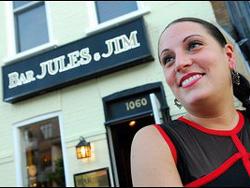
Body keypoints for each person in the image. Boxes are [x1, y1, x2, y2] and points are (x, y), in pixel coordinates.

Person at [130, 17, 250, 187]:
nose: (180, 63)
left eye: (193, 45)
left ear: (229, 55)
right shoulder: (155, 142)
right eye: (168, 59)